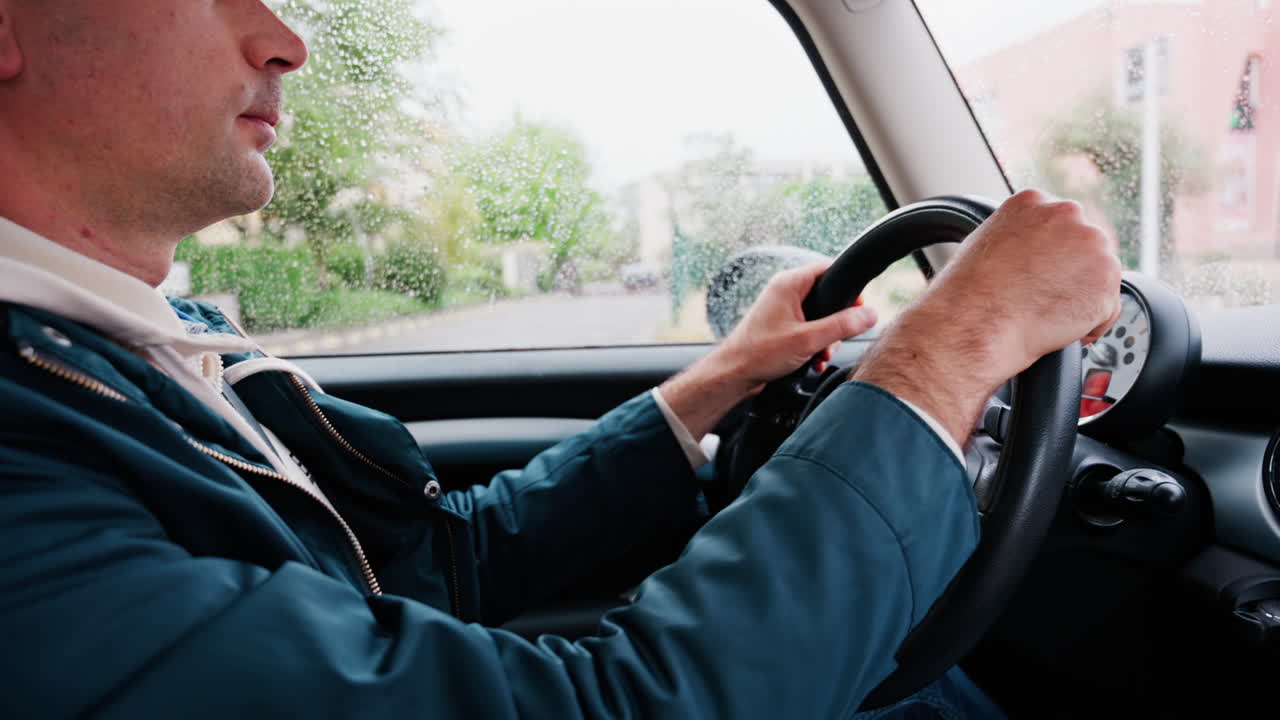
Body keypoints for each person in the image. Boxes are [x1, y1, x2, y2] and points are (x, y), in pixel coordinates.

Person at [0, 1, 1121, 718]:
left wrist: (719, 380)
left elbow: (444, 569)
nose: (284, 37)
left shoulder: (125, 350)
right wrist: (952, 346)